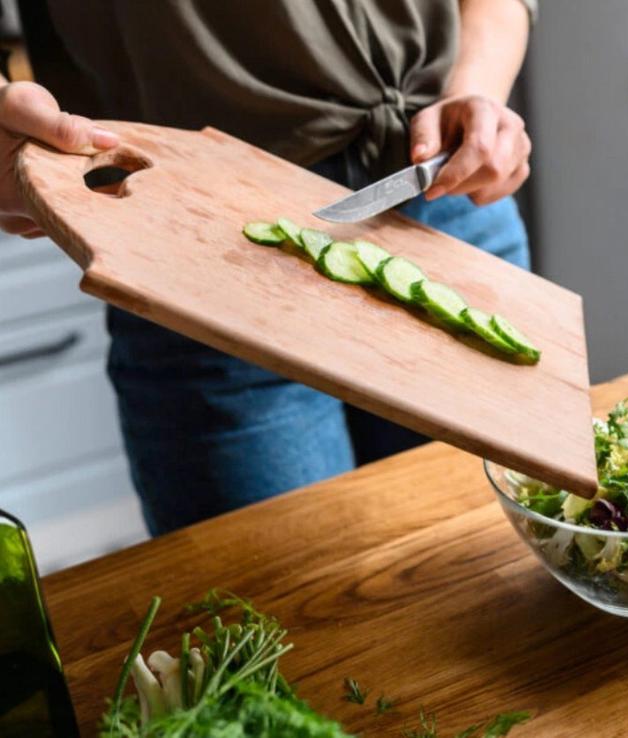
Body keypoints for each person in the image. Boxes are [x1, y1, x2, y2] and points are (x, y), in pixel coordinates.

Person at [0, 0, 536, 534]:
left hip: (445, 193)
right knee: (280, 598)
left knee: (497, 565)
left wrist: (478, 90)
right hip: (198, 238)